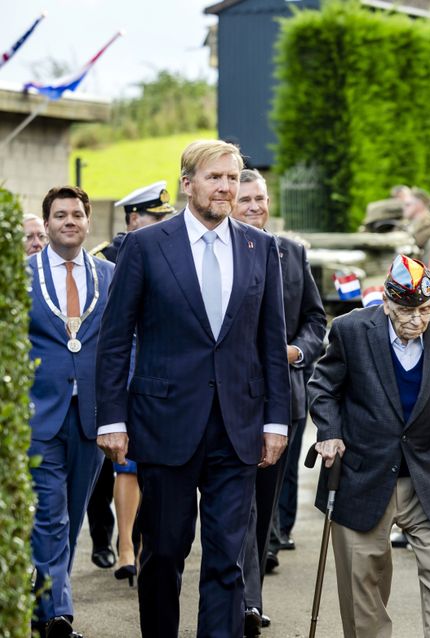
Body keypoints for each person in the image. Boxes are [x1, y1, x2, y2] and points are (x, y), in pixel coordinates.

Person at [95, 140, 291, 637]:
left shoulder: (260, 247)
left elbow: (271, 342)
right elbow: (116, 339)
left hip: (238, 427)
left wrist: (275, 420)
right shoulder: (144, 247)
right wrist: (112, 418)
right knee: (163, 553)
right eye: (215, 177)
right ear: (188, 184)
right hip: (164, 427)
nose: (226, 187)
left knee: (228, 559)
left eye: (232, 177)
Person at [308, 255, 430, 637]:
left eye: (424, 309)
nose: (416, 319)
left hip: (427, 473)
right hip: (362, 472)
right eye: (406, 310)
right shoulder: (351, 330)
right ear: (386, 303)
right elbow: (323, 387)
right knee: (363, 579)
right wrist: (329, 432)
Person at [232, 168, 327, 634]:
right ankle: (242, 600)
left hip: (282, 398)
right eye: (245, 198)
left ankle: (250, 597)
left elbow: (315, 319)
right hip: (226, 400)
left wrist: (297, 351)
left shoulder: (292, 252)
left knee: (263, 509)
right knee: (236, 506)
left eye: (260, 198)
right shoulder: (218, 253)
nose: (254, 206)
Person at [27, 186, 114, 638]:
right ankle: (55, 613)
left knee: (74, 513)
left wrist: (120, 409)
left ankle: (44, 595)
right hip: (40, 415)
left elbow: (125, 343)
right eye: (60, 214)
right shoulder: (23, 275)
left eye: (77, 214)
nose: (69, 221)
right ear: (46, 224)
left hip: (92, 416)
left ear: (87, 222)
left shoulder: (109, 275)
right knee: (49, 515)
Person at [87, 180, 176, 581]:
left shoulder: (170, 251)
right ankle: (124, 546)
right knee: (125, 468)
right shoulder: (103, 259)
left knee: (151, 467)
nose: (162, 224)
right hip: (123, 371)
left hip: (157, 373)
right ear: (133, 218)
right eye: (155, 217)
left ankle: (141, 544)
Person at [92, 180, 175, 263]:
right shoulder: (104, 258)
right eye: (157, 218)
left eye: (164, 218)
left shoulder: (166, 253)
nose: (164, 223)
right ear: (134, 219)